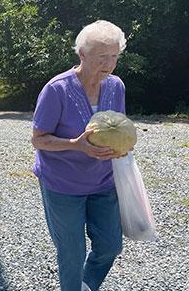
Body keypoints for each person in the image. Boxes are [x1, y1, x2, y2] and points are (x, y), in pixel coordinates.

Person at [31, 20, 127, 291]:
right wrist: (76, 145)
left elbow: (117, 126)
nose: (108, 64)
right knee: (71, 254)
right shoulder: (56, 89)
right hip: (63, 183)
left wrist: (123, 146)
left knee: (110, 246)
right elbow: (38, 140)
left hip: (103, 181)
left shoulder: (116, 86)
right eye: (101, 57)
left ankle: (85, 285)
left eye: (114, 56)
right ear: (82, 55)